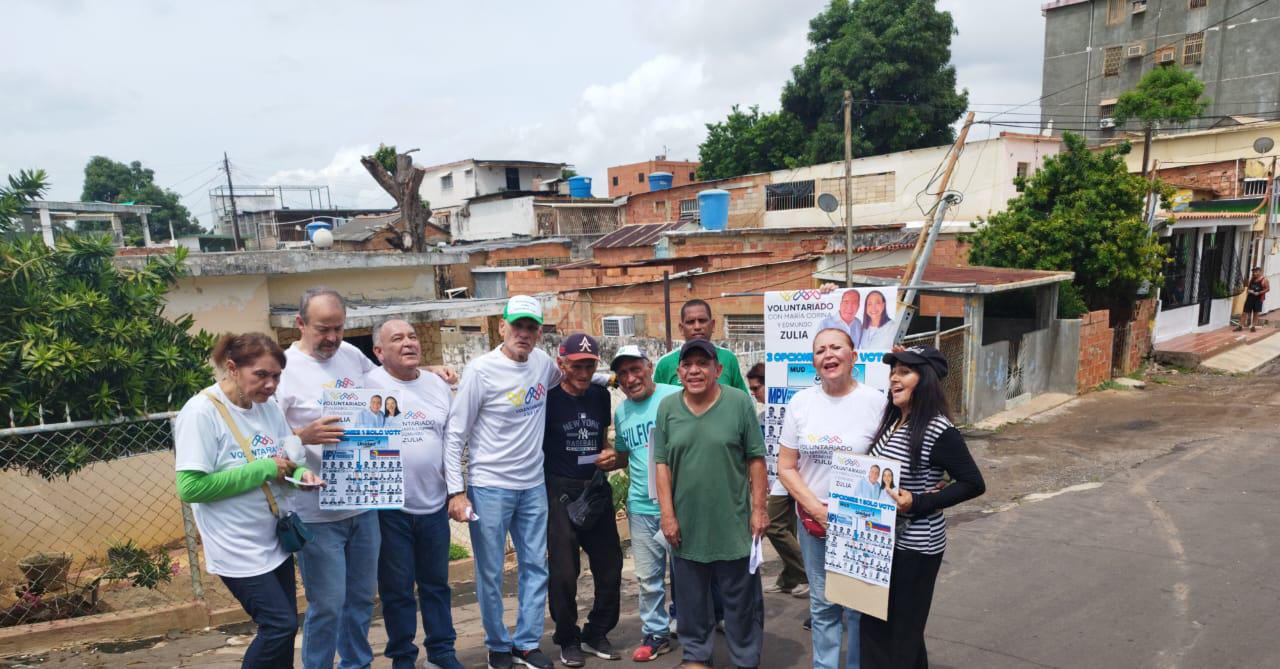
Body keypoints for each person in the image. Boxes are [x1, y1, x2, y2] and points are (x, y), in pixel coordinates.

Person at [175, 333, 324, 669]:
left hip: (275, 538)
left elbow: (287, 459)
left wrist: (302, 477)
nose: (271, 385)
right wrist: (264, 468)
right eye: (261, 375)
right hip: (236, 546)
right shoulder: (202, 412)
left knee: (285, 630)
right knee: (278, 625)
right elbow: (190, 488)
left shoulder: (268, 408)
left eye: (276, 376)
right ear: (232, 368)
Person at [444, 295, 560, 669]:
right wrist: (456, 491)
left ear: (539, 333)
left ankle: (526, 643)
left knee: (535, 565)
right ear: (501, 327)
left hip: (532, 485)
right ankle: (497, 644)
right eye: (517, 326)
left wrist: (606, 377)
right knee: (491, 571)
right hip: (490, 485)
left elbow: (570, 375)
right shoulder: (481, 370)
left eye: (531, 327)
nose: (523, 334)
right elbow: (455, 433)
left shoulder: (543, 364)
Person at [274, 287, 382, 669]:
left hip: (362, 505)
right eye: (323, 329)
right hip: (315, 513)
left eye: (339, 328)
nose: (333, 338)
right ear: (300, 324)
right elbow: (269, 447)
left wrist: (430, 372)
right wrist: (303, 437)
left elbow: (387, 387)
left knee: (361, 601)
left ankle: (356, 664)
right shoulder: (283, 371)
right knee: (327, 604)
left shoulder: (352, 355)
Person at [861, 346, 986, 668]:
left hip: (915, 546)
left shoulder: (937, 428)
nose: (893, 377)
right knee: (877, 625)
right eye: (893, 371)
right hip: (880, 541)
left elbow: (972, 482)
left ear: (925, 380)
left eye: (905, 371)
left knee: (902, 632)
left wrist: (919, 502)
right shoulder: (893, 421)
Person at [776, 327, 887, 669]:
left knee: (856, 608)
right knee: (823, 606)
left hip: (860, 522)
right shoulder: (801, 403)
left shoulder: (877, 402)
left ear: (854, 356)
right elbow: (786, 466)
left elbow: (888, 463)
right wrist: (815, 509)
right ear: (813, 361)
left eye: (836, 347)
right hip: (814, 521)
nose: (829, 355)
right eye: (820, 350)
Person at [654, 340, 768, 669]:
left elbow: (756, 459)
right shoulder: (668, 409)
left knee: (741, 600)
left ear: (717, 370)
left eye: (702, 364)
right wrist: (667, 515)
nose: (694, 370)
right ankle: (696, 655)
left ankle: (746, 657)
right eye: (687, 365)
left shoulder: (738, 403)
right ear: (678, 372)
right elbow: (662, 465)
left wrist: (759, 509)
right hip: (686, 525)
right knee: (691, 601)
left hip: (733, 522)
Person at [365, 320, 463, 669]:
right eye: (397, 339)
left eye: (412, 337)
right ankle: (403, 658)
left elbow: (452, 443)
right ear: (378, 352)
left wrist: (456, 492)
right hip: (388, 509)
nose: (408, 343)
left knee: (437, 585)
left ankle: (442, 653)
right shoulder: (367, 384)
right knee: (397, 591)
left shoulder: (437, 385)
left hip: (434, 505)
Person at [542, 333, 624, 667]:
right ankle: (567, 637)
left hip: (593, 486)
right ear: (562, 363)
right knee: (564, 572)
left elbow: (601, 438)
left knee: (610, 565)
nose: (583, 371)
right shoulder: (548, 398)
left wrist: (607, 455)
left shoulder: (600, 396)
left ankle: (597, 631)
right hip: (558, 488)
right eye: (577, 364)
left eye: (589, 365)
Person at [610, 345, 681, 662]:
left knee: (688, 574)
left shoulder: (675, 397)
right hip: (640, 507)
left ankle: (691, 629)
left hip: (680, 504)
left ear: (649, 366)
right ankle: (656, 633)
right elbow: (624, 455)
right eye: (623, 373)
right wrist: (606, 460)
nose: (630, 378)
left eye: (635, 369)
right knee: (648, 578)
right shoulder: (622, 412)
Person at [745, 363, 808, 600]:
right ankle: (790, 578)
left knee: (773, 524)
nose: (754, 393)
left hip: (796, 475)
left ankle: (807, 573)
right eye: (751, 389)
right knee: (784, 525)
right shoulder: (762, 417)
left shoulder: (794, 411)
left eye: (757, 387)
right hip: (775, 478)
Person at [652, 299, 749, 393]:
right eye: (690, 322)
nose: (697, 327)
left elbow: (744, 402)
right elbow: (656, 402)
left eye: (702, 321)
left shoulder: (728, 358)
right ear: (681, 328)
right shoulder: (665, 363)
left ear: (712, 325)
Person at [1238, 267, 1269, 332]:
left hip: (1259, 298)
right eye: (1253, 272)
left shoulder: (1264, 280)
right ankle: (1240, 326)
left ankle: (1253, 326)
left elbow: (1267, 289)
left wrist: (1259, 292)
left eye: (1256, 272)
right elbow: (1248, 287)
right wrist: (1249, 291)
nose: (1254, 273)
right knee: (1245, 312)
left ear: (1260, 272)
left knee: (1256, 313)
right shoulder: (1252, 279)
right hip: (1250, 297)